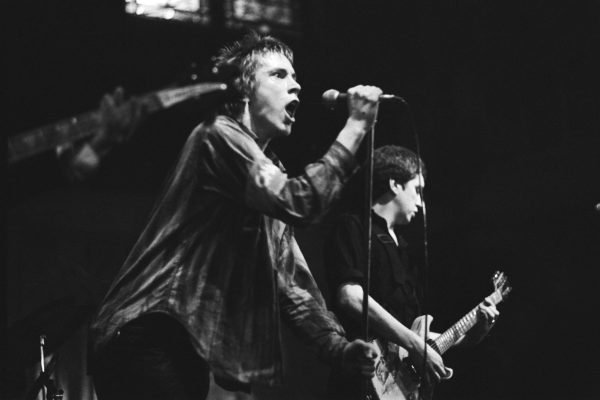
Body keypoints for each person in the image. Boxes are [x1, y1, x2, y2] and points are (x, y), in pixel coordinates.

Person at [88, 31, 383, 400]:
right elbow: (301, 201)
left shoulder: (268, 171)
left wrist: (338, 348)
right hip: (142, 332)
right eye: (279, 75)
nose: (297, 85)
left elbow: (291, 284)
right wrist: (355, 128)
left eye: (295, 76)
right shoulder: (217, 136)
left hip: (179, 346)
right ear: (243, 90)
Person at [324, 145, 499, 399]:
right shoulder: (353, 227)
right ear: (395, 184)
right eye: (417, 190)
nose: (420, 202)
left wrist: (475, 333)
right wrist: (415, 343)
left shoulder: (404, 250)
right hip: (360, 382)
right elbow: (350, 297)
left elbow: (414, 334)